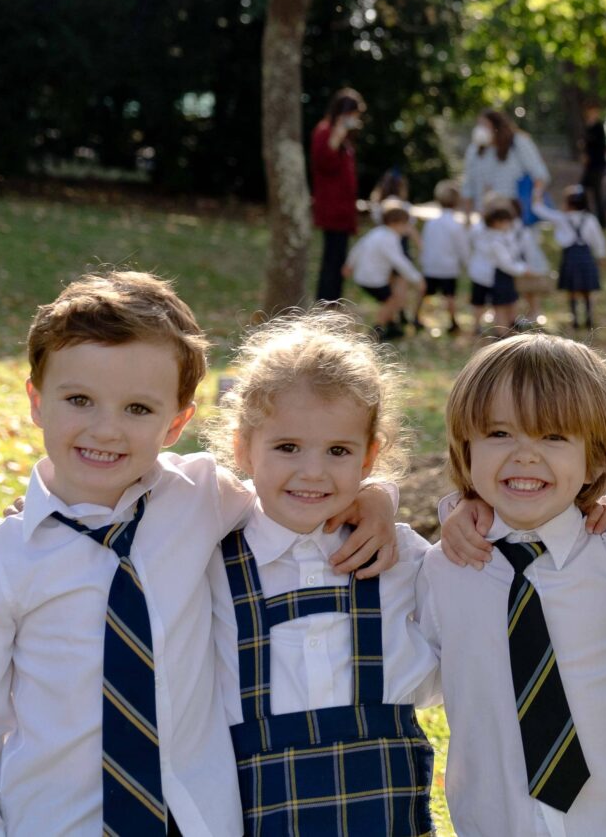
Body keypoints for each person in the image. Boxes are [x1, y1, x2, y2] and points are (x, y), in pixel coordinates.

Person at [0, 271, 398, 837]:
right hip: (57, 822)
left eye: (138, 409)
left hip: (198, 818)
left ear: (177, 421)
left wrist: (376, 496)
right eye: (79, 400)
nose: (106, 430)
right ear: (36, 401)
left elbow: (297, 490)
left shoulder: (199, 497)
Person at [418, 335, 606, 837]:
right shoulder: (442, 570)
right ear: (466, 451)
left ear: (594, 461)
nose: (525, 455)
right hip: (492, 821)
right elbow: (417, 684)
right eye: (500, 433)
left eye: (552, 437)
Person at [204, 313, 436, 836]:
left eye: (338, 451)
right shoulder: (204, 560)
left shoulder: (403, 559)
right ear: (243, 447)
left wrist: (382, 496)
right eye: (287, 447)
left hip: (385, 816)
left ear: (369, 456)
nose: (313, 471)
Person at [310, 89, 366, 303]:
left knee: (338, 261)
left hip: (343, 210)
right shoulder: (325, 132)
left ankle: (333, 303)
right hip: (331, 209)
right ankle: (325, 305)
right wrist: (337, 135)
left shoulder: (344, 139)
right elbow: (323, 162)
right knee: (332, 262)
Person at [345, 201, 427, 342]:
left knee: (391, 297)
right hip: (372, 279)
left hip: (364, 276)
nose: (407, 229)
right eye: (405, 225)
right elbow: (400, 262)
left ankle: (392, 326)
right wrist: (417, 279)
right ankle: (376, 331)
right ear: (396, 223)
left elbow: (358, 247)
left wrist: (349, 264)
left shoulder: (377, 232)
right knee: (392, 301)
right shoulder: (390, 238)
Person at [463, 108, 550, 228]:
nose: (480, 129)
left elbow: (539, 174)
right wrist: (467, 216)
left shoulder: (518, 143)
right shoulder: (474, 150)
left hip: (515, 214)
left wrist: (535, 202)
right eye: (479, 125)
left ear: (496, 126)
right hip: (486, 215)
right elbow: (468, 185)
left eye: (485, 125)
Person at [535, 187, 606, 331]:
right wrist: (601, 256)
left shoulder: (562, 218)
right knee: (587, 288)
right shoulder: (590, 219)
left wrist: (537, 195)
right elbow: (598, 240)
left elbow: (540, 210)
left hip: (570, 255)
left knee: (572, 289)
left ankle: (575, 319)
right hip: (586, 255)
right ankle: (588, 318)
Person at [418, 181, 470, 335]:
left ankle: (416, 316)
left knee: (425, 292)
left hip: (431, 265)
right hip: (448, 267)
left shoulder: (431, 223)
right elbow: (462, 248)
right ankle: (452, 321)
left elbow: (425, 243)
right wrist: (467, 263)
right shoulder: (456, 225)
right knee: (450, 295)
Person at [468, 201, 521, 336]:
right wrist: (523, 270)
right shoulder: (495, 239)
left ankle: (493, 328)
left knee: (487, 303)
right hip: (490, 275)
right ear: (497, 222)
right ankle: (498, 331)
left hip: (485, 274)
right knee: (497, 305)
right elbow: (506, 261)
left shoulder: (497, 235)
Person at [580, 100, 606, 225]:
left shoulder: (598, 126)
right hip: (590, 165)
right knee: (583, 189)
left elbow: (599, 145)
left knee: (597, 193)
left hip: (597, 165)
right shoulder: (589, 125)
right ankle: (587, 215)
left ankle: (602, 222)